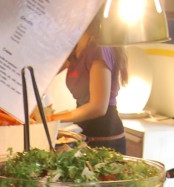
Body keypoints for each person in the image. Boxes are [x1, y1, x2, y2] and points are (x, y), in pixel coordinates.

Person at [51, 15, 129, 153]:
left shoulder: (99, 48)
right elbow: (44, 75)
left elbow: (98, 107)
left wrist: (50, 119)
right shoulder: (76, 47)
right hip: (84, 132)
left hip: (105, 137)